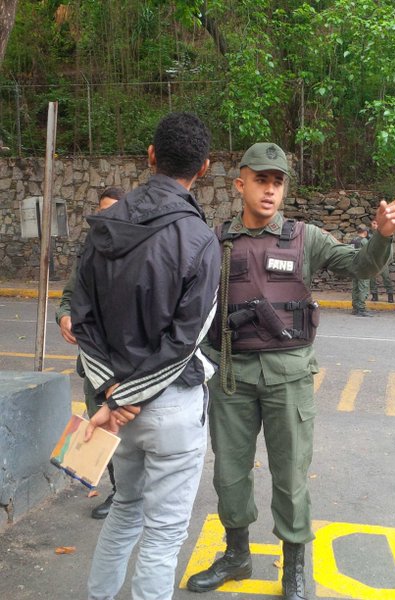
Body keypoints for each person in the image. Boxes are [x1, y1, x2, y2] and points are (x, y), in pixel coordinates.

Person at [185, 141, 395, 600]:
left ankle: (293, 568)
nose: (269, 190)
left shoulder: (307, 238)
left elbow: (361, 267)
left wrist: (383, 236)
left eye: (277, 182)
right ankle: (237, 555)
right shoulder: (216, 240)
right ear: (240, 182)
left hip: (289, 379)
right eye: (261, 180)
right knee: (229, 473)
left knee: (290, 476)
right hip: (231, 376)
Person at [71, 112, 221, 600]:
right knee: (163, 535)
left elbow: (80, 318)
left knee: (124, 511)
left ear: (151, 155)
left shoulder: (103, 226)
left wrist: (112, 396)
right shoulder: (200, 239)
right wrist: (127, 396)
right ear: (204, 167)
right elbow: (187, 338)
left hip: (116, 408)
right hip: (169, 406)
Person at [55, 186, 125, 520]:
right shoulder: (88, 255)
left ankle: (135, 495)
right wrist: (64, 317)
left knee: (133, 435)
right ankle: (119, 493)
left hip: (129, 367)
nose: (106, 218)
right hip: (94, 367)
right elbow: (68, 298)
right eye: (102, 211)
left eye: (113, 210)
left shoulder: (139, 253)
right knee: (102, 432)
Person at [369, 219, 395, 303]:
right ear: (371, 225)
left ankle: (390, 296)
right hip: (372, 261)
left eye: (377, 223)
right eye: (373, 223)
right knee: (372, 279)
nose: (375, 225)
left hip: (382, 261)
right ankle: (374, 295)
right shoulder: (369, 235)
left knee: (386, 278)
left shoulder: (384, 234)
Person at [351, 224, 372, 317]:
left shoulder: (353, 240)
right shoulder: (364, 241)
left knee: (355, 287)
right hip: (363, 267)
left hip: (354, 266)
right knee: (363, 287)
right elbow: (368, 254)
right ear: (365, 232)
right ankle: (361, 308)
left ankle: (355, 307)